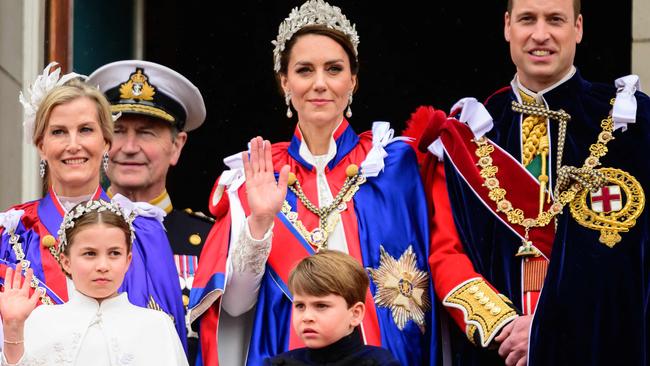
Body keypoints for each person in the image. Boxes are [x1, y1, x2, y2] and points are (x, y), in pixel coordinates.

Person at [190, 1, 437, 365]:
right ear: (285, 82)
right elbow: (235, 309)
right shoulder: (255, 175)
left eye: (333, 69)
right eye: (305, 70)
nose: (319, 84)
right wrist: (260, 222)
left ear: (352, 80)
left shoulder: (395, 166)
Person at [407, 0, 650, 364]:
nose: (540, 34)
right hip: (499, 353)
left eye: (555, 19)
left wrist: (550, 329)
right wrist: (504, 327)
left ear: (578, 27)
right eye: (527, 19)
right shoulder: (469, 135)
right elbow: (446, 253)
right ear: (507, 26)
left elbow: (635, 261)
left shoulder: (632, 124)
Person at [0, 63, 187, 353]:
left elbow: (169, 345)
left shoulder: (144, 231)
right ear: (40, 145)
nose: (73, 145)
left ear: (106, 142)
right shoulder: (12, 236)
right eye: (59, 132)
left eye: (85, 130)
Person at [87, 60, 212, 364]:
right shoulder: (70, 231)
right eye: (117, 131)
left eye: (146, 133)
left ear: (177, 146)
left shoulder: (210, 240)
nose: (129, 147)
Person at [0, 199, 188, 365]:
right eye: (90, 254)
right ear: (66, 262)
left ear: (128, 260)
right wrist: (13, 330)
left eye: (114, 253)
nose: (103, 265)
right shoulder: (41, 320)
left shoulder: (157, 325)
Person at [264, 250, 400, 366]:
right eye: (300, 306)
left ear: (355, 314)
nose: (307, 317)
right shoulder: (278, 364)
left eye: (321, 306)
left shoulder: (380, 363)